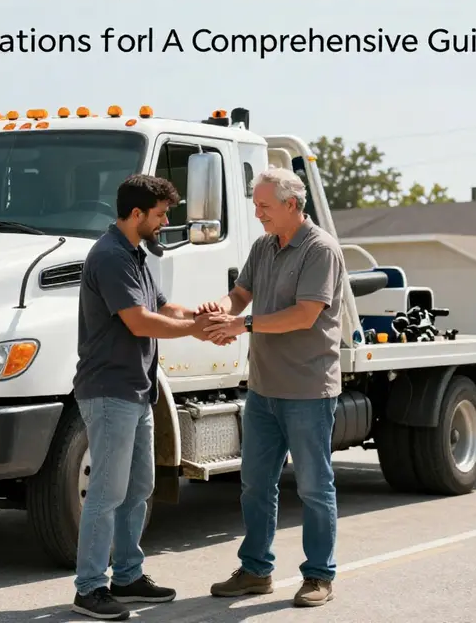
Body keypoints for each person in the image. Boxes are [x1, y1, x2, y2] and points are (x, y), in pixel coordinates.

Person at [71, 173, 215, 621]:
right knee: (106, 493)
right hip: (110, 391)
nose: (165, 220)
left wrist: (203, 314)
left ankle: (128, 577)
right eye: (160, 214)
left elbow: (162, 307)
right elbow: (139, 322)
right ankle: (90, 588)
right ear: (137, 214)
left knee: (138, 489)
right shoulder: (110, 257)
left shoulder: (135, 253)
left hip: (137, 390)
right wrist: (198, 331)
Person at [202, 166, 346, 609]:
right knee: (255, 484)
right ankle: (255, 571)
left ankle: (319, 575)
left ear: (291, 205)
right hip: (264, 387)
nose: (257, 211)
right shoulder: (264, 246)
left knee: (313, 487)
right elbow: (241, 293)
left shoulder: (320, 249)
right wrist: (220, 310)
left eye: (264, 205)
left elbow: (304, 315)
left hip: (307, 389)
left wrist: (239, 324)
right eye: (256, 203)